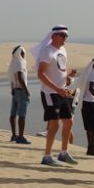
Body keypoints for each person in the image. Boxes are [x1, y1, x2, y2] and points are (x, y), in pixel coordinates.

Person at [32, 26, 77, 166]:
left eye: (66, 36)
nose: (64, 38)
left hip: (62, 91)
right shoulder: (47, 52)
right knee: (54, 124)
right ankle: (47, 156)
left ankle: (63, 153)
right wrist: (57, 88)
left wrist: (68, 76)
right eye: (62, 35)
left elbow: (60, 70)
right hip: (50, 93)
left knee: (69, 122)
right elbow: (41, 74)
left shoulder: (63, 51)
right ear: (53, 36)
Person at [74, 56, 94, 156]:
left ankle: (90, 148)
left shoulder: (89, 73)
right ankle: (91, 148)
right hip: (91, 103)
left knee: (89, 128)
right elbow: (92, 88)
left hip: (85, 102)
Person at [8, 45, 31, 144]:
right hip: (21, 91)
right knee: (22, 115)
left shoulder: (12, 63)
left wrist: (12, 88)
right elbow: (20, 78)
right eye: (23, 53)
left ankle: (14, 135)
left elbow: (11, 78)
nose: (24, 55)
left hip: (15, 91)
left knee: (13, 114)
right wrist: (26, 91)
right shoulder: (20, 63)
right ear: (20, 53)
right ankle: (20, 137)